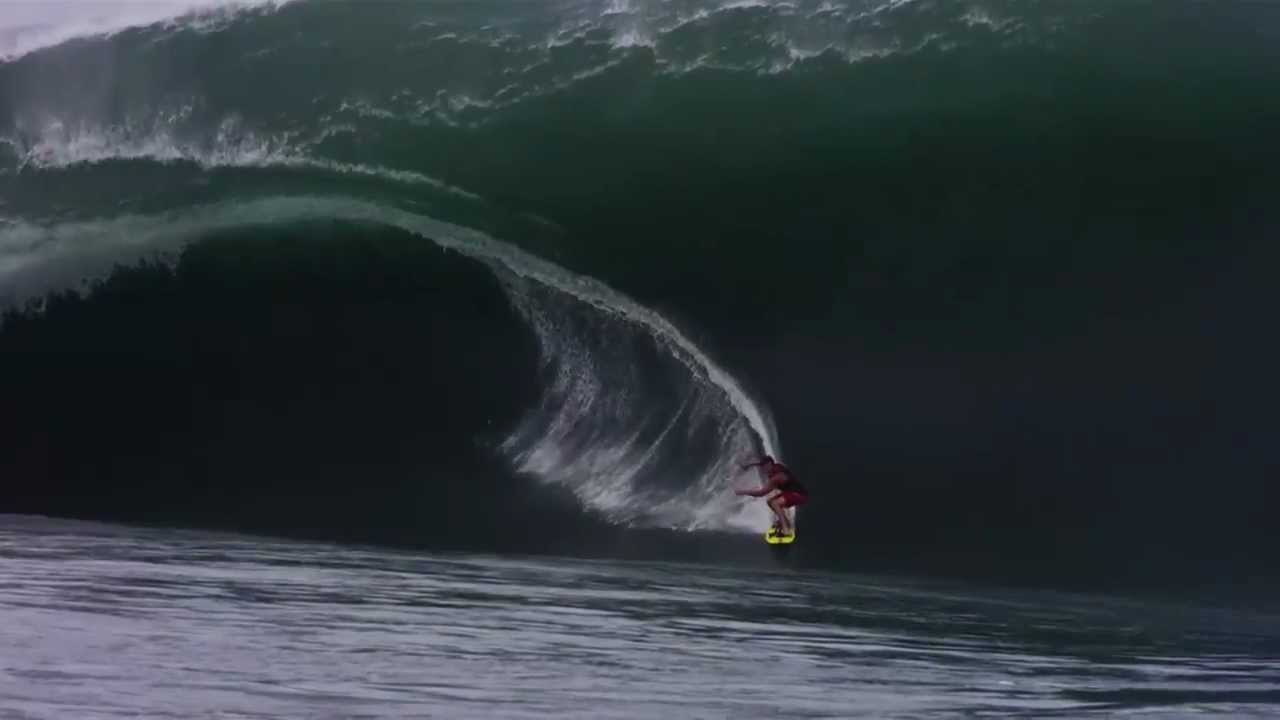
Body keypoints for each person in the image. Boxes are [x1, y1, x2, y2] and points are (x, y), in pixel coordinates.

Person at [734, 454, 808, 537]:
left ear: (769, 465)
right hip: (790, 491)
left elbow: (761, 493)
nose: (763, 469)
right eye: (762, 466)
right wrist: (747, 466)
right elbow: (759, 463)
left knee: (775, 503)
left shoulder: (776, 478)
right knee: (770, 502)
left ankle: (785, 530)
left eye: (764, 467)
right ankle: (786, 523)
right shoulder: (773, 466)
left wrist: (743, 492)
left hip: (798, 494)